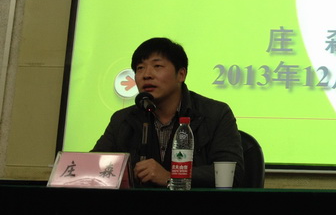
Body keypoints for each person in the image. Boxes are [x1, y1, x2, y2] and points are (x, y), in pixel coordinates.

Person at [92, 37, 244, 188]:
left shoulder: (215, 114)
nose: (146, 74)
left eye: (157, 66)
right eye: (140, 68)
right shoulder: (123, 119)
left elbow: (233, 174)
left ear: (181, 74)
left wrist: (171, 177)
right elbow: (92, 167)